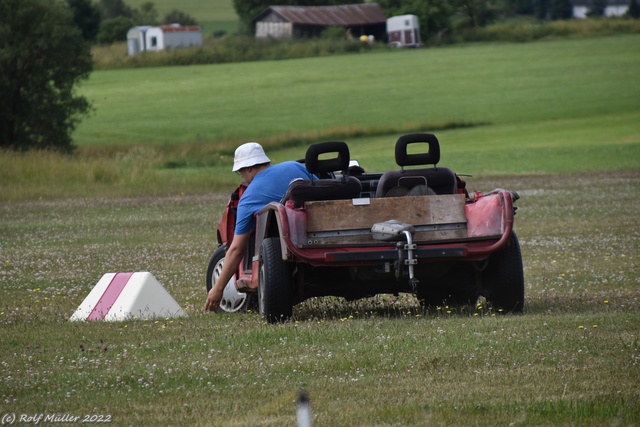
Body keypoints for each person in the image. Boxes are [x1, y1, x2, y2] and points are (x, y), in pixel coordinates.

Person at [204, 142, 313, 312]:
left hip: (295, 245)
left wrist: (217, 289)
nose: (242, 177)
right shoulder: (295, 167)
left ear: (248, 169)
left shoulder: (248, 198)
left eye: (241, 172)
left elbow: (236, 250)